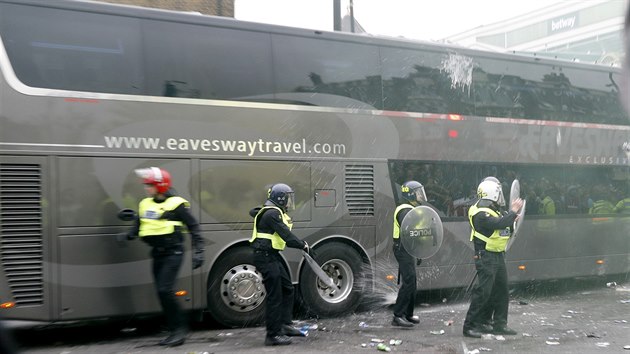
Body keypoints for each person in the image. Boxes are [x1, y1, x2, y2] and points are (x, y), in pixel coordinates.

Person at [120, 167, 205, 347]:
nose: (146, 188)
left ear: (160, 186)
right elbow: (138, 226)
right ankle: (173, 329)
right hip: (157, 253)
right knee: (161, 292)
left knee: (165, 290)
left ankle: (179, 330)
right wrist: (126, 236)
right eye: (146, 184)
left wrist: (199, 251)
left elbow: (194, 227)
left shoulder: (176, 205)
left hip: (173, 253)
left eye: (149, 184)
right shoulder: (145, 204)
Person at [249, 183, 310, 346]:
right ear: (280, 199)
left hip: (272, 255)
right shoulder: (271, 214)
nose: (290, 202)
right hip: (265, 257)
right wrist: (303, 245)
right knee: (275, 295)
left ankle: (285, 325)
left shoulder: (273, 212)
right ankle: (272, 335)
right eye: (288, 198)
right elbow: (287, 236)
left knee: (287, 288)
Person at [463, 178, 523, 338]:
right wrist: (513, 212)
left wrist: (511, 218)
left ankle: (499, 324)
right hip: (485, 256)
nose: (500, 197)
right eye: (498, 193)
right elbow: (499, 224)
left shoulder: (493, 209)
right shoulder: (479, 213)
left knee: (501, 290)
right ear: (491, 194)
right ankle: (470, 326)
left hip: (497, 255)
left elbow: (505, 225)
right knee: (483, 292)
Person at [391, 180, 426, 327]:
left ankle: (408, 314)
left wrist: (417, 251)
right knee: (409, 282)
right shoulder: (405, 210)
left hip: (408, 248)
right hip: (402, 249)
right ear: (411, 194)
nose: (421, 195)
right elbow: (409, 231)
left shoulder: (412, 208)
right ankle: (397, 316)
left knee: (412, 282)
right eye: (418, 192)